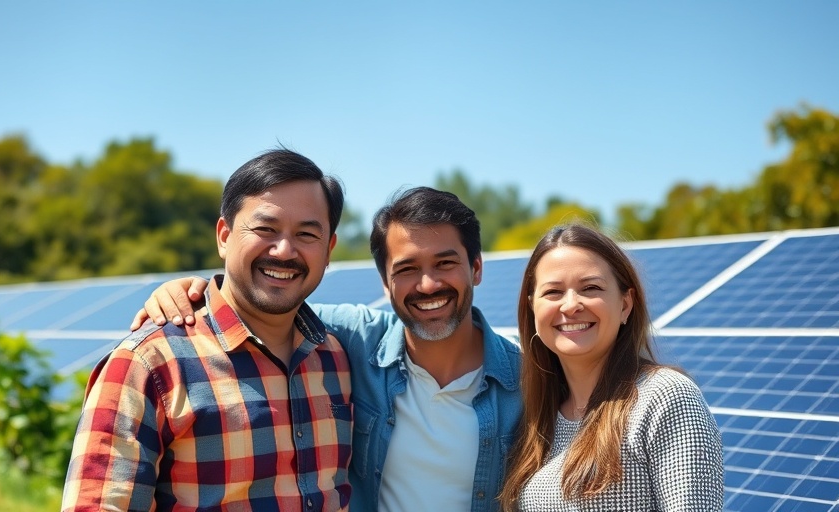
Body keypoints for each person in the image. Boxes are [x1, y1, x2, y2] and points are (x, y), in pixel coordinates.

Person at [132, 187, 522, 511]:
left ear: (476, 268)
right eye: (406, 269)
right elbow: (265, 301)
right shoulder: (356, 340)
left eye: (445, 263)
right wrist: (194, 290)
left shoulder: (528, 378)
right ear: (385, 285)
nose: (427, 284)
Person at [62, 149, 353, 511]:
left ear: (329, 250)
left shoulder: (338, 358)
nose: (283, 250)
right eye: (265, 228)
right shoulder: (150, 365)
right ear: (224, 236)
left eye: (307, 234)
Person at [499, 223, 723, 511]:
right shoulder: (535, 420)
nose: (570, 306)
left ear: (625, 304)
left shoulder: (665, 398)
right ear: (532, 307)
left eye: (590, 288)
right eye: (553, 292)